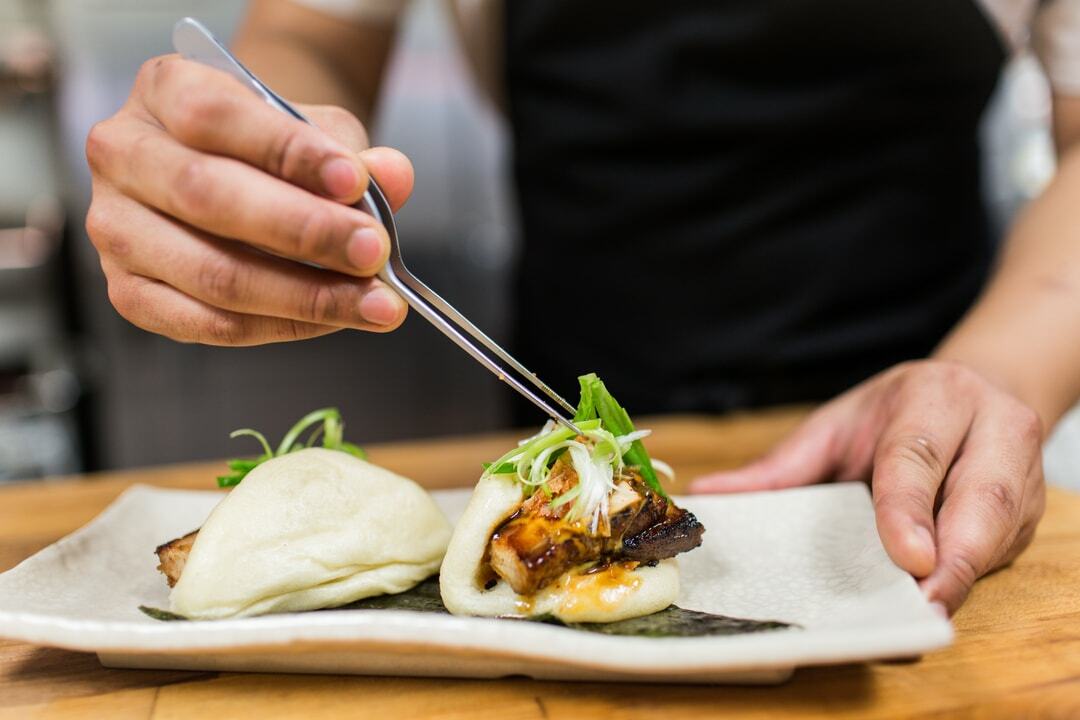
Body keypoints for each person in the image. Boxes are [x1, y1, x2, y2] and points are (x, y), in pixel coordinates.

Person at [83, 0, 1080, 615]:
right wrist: (252, 161)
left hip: (916, 433)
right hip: (561, 396)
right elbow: (311, 32)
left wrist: (994, 378)